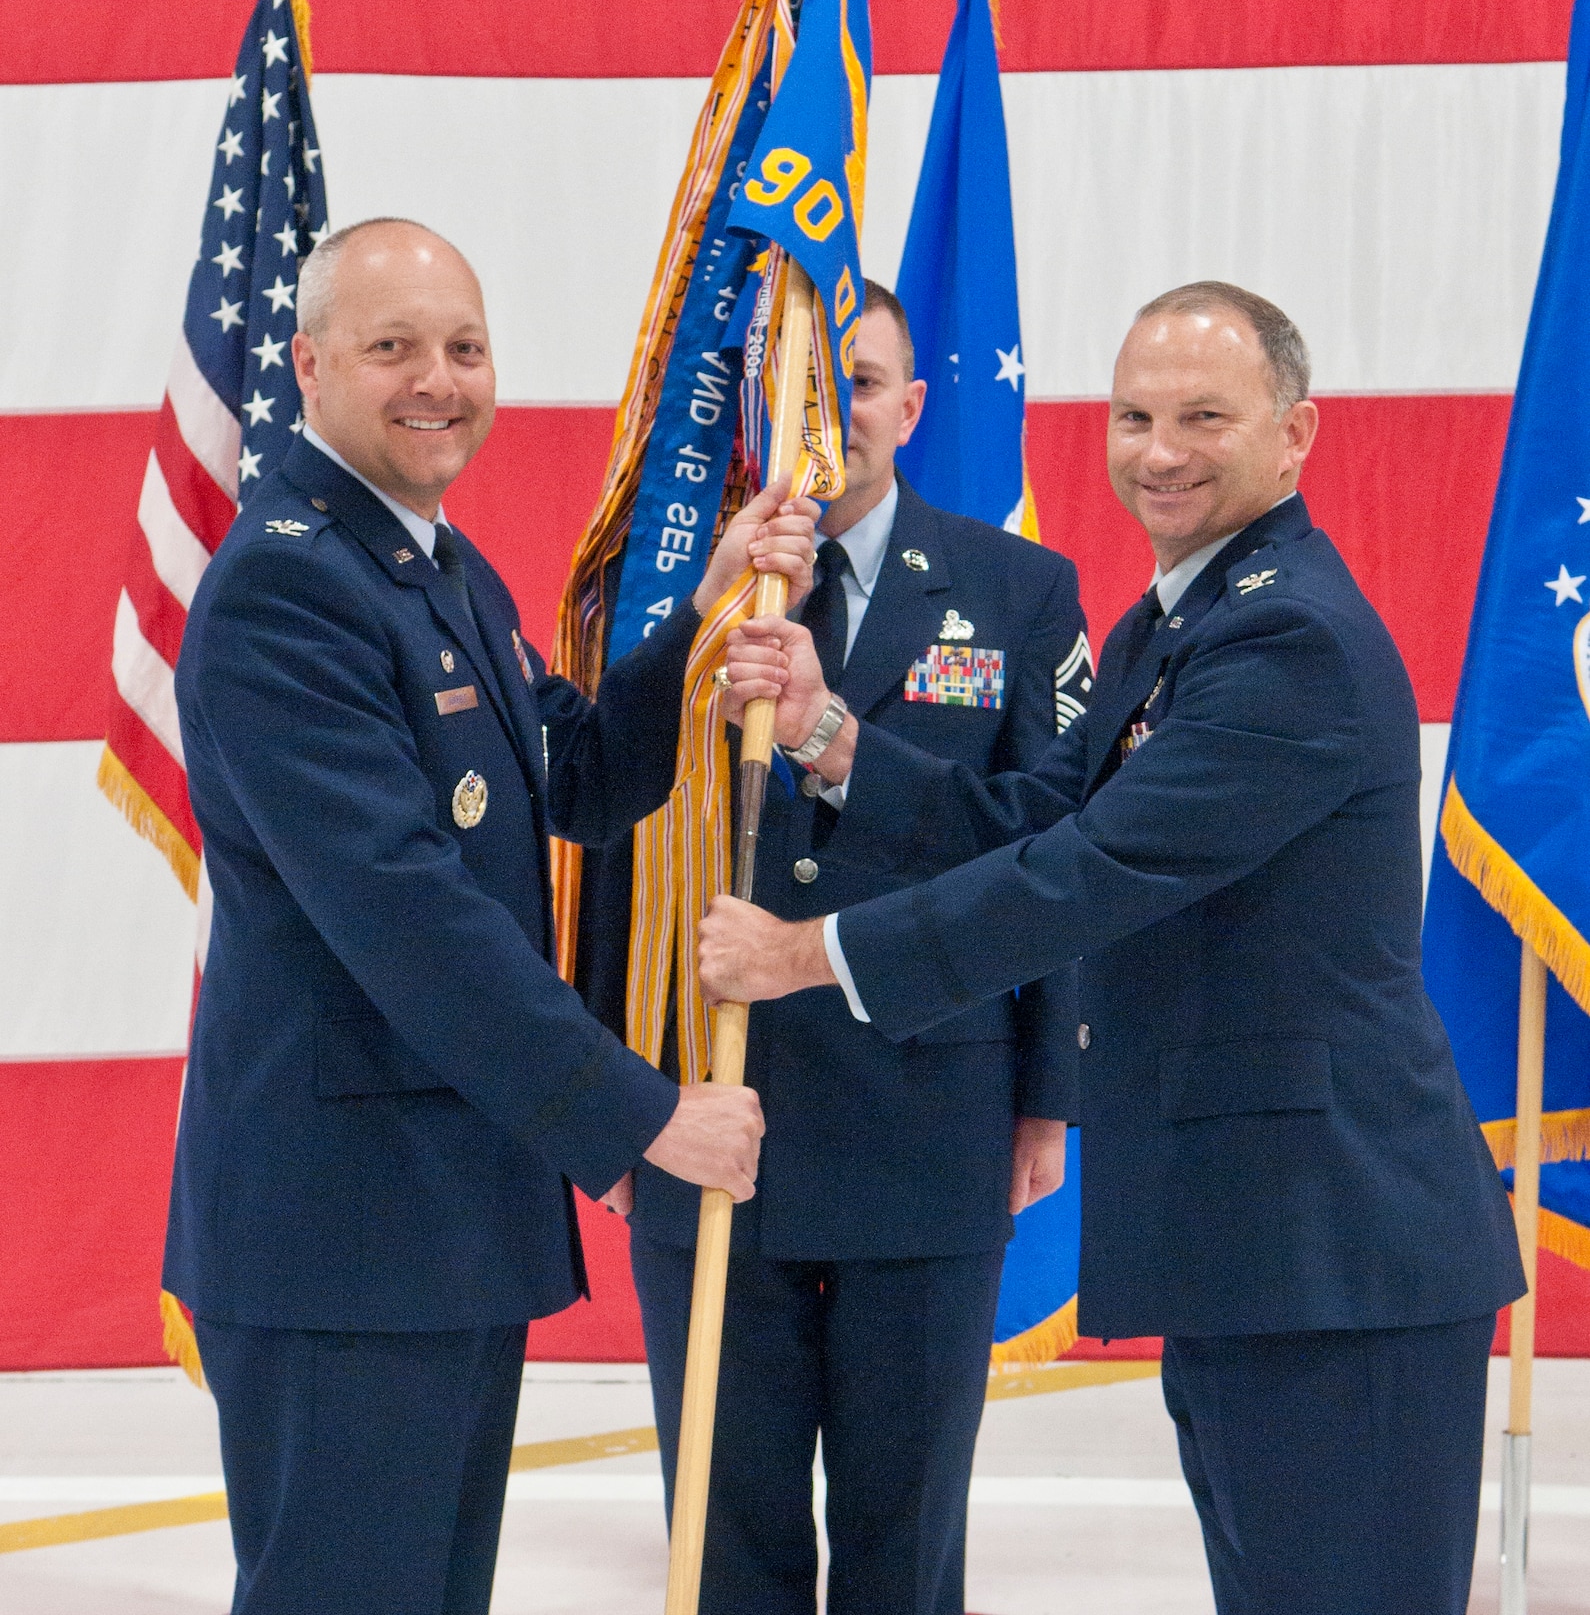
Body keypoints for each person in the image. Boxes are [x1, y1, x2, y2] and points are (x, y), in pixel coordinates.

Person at [699, 281, 1526, 1615]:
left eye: (1204, 415)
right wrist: (827, 737)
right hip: (1261, 1241)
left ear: (1295, 433)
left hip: (1336, 1249)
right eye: (1134, 414)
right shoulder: (1179, 617)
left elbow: (1089, 874)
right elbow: (1035, 813)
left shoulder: (1282, 636)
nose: (1158, 449)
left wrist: (813, 956)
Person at [167, 217, 816, 1615]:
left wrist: (698, 619)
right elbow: (409, 914)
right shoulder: (292, 588)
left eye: (464, 347)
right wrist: (636, 1115)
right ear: (311, 364)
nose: (437, 380)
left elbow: (566, 775)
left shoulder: (429, 566)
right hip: (341, 1232)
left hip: (433, 1214)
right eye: (393, 346)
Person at [595, 281, 1091, 1615]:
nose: (831, 420)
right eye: (800, 392)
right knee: (723, 1539)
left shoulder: (1019, 591)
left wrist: (1046, 1093)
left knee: (904, 1534)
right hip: (707, 1123)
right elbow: (603, 843)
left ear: (911, 406)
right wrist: (607, 1105)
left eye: (858, 386)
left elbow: (1054, 849)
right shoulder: (670, 591)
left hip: (929, 1119)